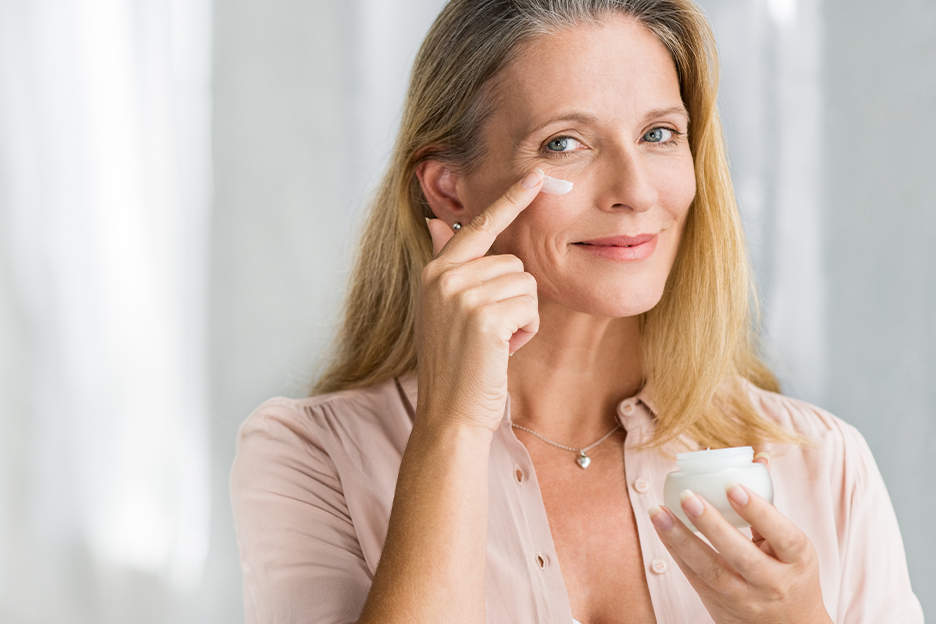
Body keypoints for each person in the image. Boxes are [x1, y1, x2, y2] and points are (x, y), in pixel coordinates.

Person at [230, 1, 923, 622]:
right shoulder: (313, 458)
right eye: (566, 142)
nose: (635, 190)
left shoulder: (823, 465)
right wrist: (452, 429)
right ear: (449, 190)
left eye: (659, 135)